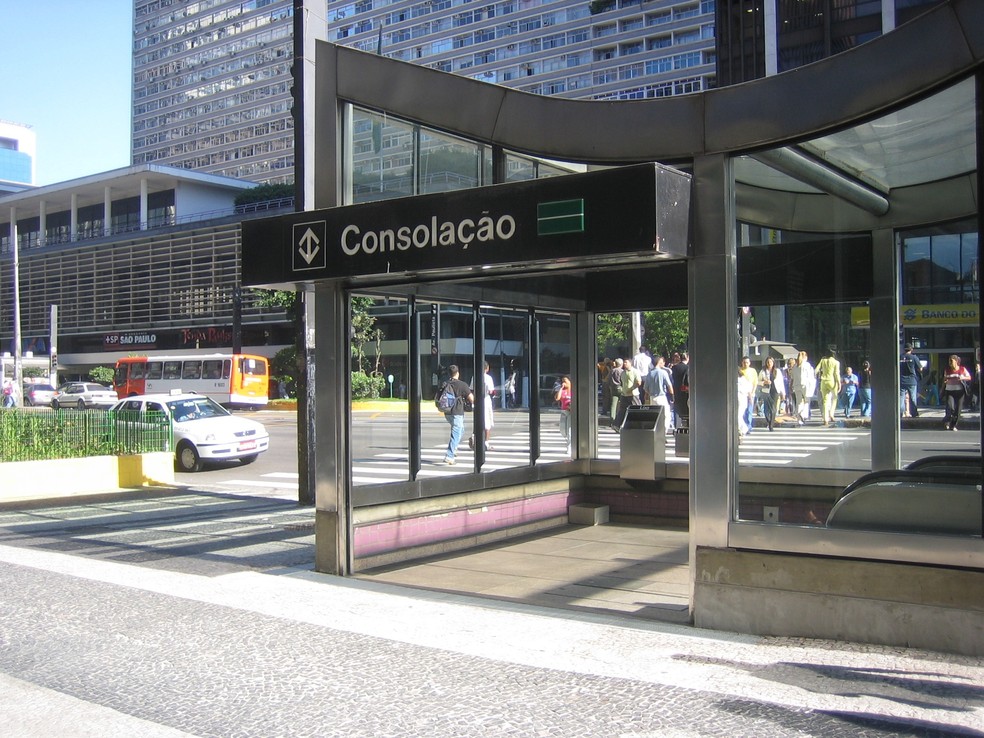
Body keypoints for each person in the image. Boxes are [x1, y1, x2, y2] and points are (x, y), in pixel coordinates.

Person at [440, 365, 473, 465]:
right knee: (456, 433)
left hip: (447, 412)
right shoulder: (462, 385)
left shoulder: (445, 383)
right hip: (457, 412)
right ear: (458, 373)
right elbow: (471, 398)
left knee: (460, 430)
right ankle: (449, 455)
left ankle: (453, 450)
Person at [469, 361, 495, 451]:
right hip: (486, 401)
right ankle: (486, 443)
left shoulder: (474, 377)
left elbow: (471, 389)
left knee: (477, 420)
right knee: (487, 423)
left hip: (477, 401)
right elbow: (491, 391)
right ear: (487, 368)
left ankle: (474, 438)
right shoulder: (488, 378)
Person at [942, 354, 972, 431]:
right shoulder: (947, 370)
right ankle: (948, 421)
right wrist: (945, 381)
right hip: (950, 391)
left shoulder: (962, 369)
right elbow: (944, 379)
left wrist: (963, 377)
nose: (950, 363)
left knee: (958, 409)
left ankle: (953, 425)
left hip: (960, 391)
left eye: (951, 361)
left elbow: (969, 377)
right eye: (949, 361)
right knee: (951, 407)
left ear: (956, 361)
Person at [643, 355, 674, 430]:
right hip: (661, 397)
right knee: (666, 416)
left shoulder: (650, 373)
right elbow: (669, 385)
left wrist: (647, 395)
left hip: (652, 398)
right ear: (659, 362)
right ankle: (663, 433)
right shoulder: (663, 372)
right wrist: (672, 396)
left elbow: (645, 388)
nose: (663, 363)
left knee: (655, 416)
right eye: (662, 362)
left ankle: (656, 433)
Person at [613, 356, 641, 430]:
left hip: (633, 394)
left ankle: (639, 426)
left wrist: (631, 389)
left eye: (626, 362)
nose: (625, 364)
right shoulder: (623, 373)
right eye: (624, 362)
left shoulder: (635, 371)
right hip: (624, 394)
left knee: (637, 409)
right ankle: (617, 425)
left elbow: (638, 382)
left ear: (630, 363)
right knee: (622, 410)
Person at [815, 349, 841, 426]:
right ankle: (831, 414)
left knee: (825, 401)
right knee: (834, 398)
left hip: (823, 381)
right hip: (832, 381)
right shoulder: (836, 362)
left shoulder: (823, 360)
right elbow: (836, 374)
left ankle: (825, 419)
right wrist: (839, 383)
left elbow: (816, 369)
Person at [759, 356, 785, 431]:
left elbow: (781, 383)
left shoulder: (777, 371)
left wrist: (783, 393)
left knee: (773, 408)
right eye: (768, 362)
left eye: (771, 362)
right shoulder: (763, 371)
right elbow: (758, 381)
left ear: (773, 363)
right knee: (766, 410)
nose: (769, 363)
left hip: (775, 391)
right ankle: (768, 421)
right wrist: (764, 382)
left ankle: (771, 425)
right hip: (766, 391)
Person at [790, 350, 816, 425]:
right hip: (805, 385)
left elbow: (792, 377)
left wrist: (791, 386)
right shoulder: (807, 365)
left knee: (799, 402)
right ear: (806, 357)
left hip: (796, 385)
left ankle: (799, 420)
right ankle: (803, 414)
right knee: (807, 401)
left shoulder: (795, 365)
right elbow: (811, 377)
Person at [899, 344, 922, 418]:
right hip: (912, 380)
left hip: (901, 380)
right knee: (912, 398)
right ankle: (914, 413)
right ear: (911, 349)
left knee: (901, 398)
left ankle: (900, 413)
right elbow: (920, 368)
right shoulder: (914, 357)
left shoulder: (900, 357)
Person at [670, 352, 690, 428]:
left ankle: (676, 426)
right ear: (687, 358)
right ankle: (687, 425)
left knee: (677, 409)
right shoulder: (687, 368)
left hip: (676, 390)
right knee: (686, 409)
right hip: (685, 391)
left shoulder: (674, 368)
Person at [739, 356, 758, 434]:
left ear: (749, 363)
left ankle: (748, 426)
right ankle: (743, 427)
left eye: (747, 362)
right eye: (744, 362)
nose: (745, 364)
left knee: (749, 411)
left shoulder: (753, 371)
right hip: (742, 394)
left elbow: (755, 382)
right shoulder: (740, 371)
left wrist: (753, 392)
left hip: (750, 393)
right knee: (742, 412)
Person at [555, 376, 572, 455]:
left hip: (571, 412)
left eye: (565, 381)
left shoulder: (573, 390)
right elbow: (557, 398)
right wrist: (561, 388)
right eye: (562, 381)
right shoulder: (563, 390)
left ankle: (569, 447)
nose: (564, 383)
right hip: (564, 411)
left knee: (569, 431)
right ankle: (569, 443)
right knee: (562, 430)